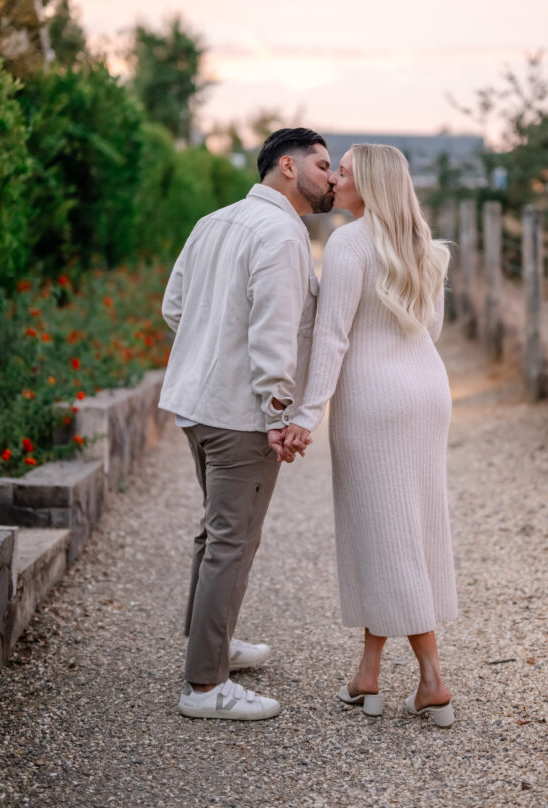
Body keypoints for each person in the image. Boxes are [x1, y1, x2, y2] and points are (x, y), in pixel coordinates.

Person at [159, 128, 333, 721]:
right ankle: (204, 687)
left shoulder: (214, 220)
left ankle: (211, 642)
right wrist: (279, 412)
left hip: (196, 405)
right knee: (232, 541)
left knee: (216, 534)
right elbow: (273, 335)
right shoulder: (283, 233)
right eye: (323, 165)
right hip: (240, 415)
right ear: (287, 166)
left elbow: (174, 306)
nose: (332, 178)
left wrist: (207, 352)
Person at [284, 144, 458, 728]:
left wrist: (306, 414)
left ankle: (433, 679)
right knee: (404, 525)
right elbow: (428, 328)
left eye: (344, 172)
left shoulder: (348, 243)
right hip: (428, 393)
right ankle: (368, 675)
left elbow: (332, 337)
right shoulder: (425, 247)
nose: (333, 177)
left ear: (370, 186)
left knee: (388, 533)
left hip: (374, 401)